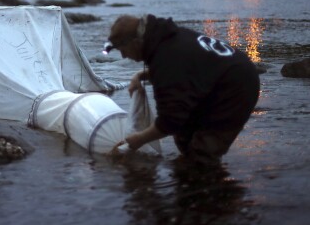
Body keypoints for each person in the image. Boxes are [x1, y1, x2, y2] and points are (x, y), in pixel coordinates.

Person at [107, 14, 259, 166]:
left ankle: (207, 181)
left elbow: (170, 121)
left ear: (136, 42)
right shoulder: (165, 39)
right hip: (221, 76)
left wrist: (138, 140)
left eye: (123, 49)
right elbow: (183, 71)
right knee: (184, 137)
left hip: (238, 86)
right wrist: (140, 76)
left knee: (201, 154)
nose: (123, 55)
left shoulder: (167, 56)